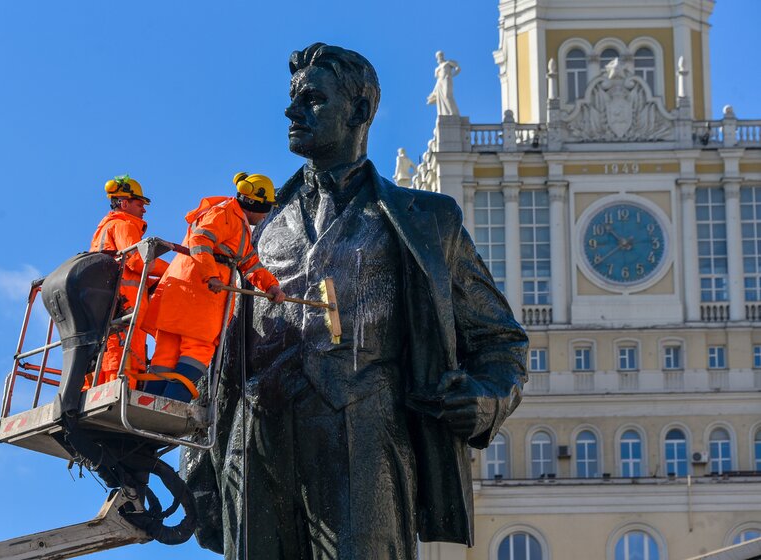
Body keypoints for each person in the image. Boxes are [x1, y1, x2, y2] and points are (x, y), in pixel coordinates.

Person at [183, 43, 528, 560]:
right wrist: (192, 450)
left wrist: (485, 397)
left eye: (313, 99)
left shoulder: (425, 220)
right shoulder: (254, 223)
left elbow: (500, 341)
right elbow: (213, 342)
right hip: (255, 444)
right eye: (293, 98)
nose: (292, 111)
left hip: (366, 438)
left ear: (361, 111)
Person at [143, 172, 286, 402]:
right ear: (255, 203)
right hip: (198, 296)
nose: (265, 216)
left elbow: (249, 264)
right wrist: (210, 275)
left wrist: (271, 286)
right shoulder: (225, 215)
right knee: (197, 351)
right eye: (267, 208)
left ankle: (147, 407)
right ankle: (168, 411)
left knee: (166, 354)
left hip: (179, 292)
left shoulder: (232, 219)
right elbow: (200, 241)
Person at [89, 174, 169, 389]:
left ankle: (100, 393)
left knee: (107, 358)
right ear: (124, 203)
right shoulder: (124, 225)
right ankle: (121, 393)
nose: (144, 209)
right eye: (139, 203)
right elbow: (139, 262)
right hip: (126, 307)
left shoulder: (105, 229)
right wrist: (173, 270)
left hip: (112, 306)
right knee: (125, 358)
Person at [426, 50, 461, 116]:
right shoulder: (437, 69)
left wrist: (452, 75)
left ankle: (454, 113)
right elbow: (438, 80)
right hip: (440, 83)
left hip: (446, 80)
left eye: (441, 55)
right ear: (437, 57)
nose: (440, 56)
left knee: (447, 96)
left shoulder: (448, 62)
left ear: (443, 55)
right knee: (441, 99)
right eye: (438, 56)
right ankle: (445, 113)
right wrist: (434, 91)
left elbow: (458, 68)